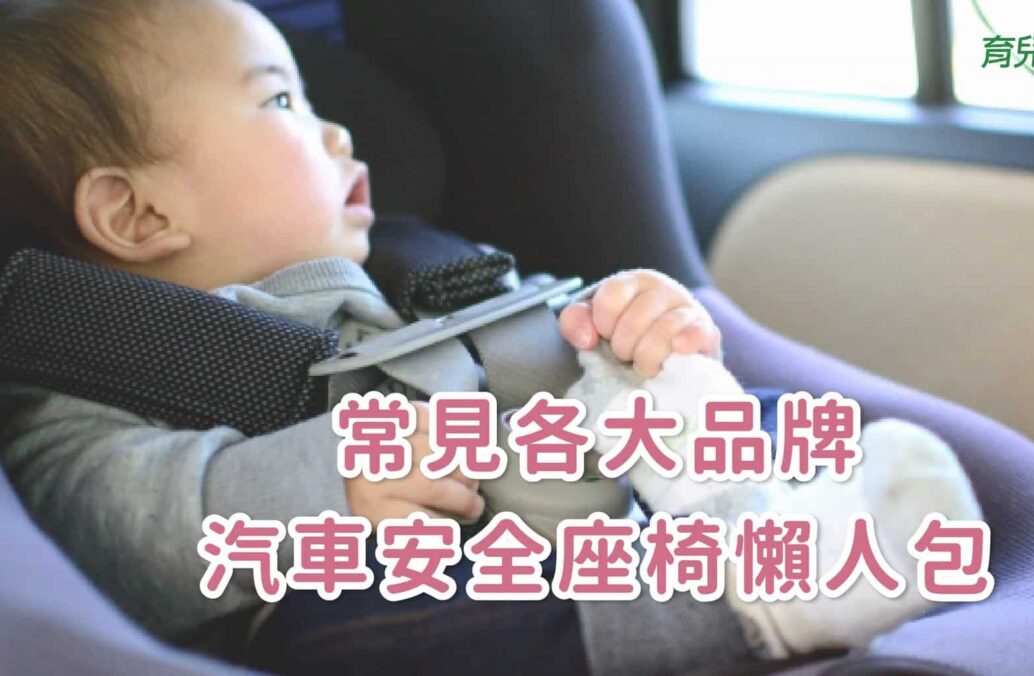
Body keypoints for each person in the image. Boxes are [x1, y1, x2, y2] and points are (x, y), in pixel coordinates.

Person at [0, 1, 980, 673]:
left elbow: (536, 344)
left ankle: (763, 513)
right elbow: (106, 525)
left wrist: (631, 335)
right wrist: (324, 483)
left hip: (580, 505)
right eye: (281, 102)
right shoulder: (93, 376)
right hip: (413, 600)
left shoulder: (415, 271)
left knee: (742, 402)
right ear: (136, 213)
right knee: (355, 626)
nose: (339, 133)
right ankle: (743, 601)